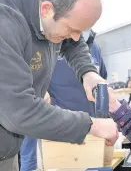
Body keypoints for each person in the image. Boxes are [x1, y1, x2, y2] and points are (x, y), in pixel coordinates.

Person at [0, 0, 118, 170]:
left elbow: (73, 41)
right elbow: (19, 112)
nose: (74, 37)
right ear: (46, 9)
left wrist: (88, 72)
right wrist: (91, 125)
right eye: (71, 29)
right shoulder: (5, 23)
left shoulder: (51, 2)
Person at [20, 30, 108, 171]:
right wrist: (38, 88)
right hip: (53, 133)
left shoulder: (94, 48)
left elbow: (102, 83)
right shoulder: (46, 44)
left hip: (88, 133)